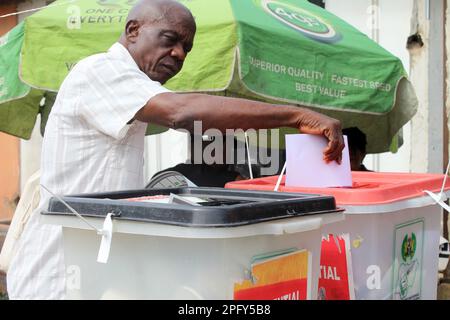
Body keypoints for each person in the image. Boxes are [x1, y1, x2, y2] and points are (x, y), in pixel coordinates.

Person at [7, 0, 344, 299]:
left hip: (95, 268)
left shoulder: (134, 85)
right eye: (170, 40)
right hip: (59, 272)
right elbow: (181, 111)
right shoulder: (100, 71)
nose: (180, 54)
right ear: (133, 30)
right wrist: (296, 115)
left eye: (187, 47)